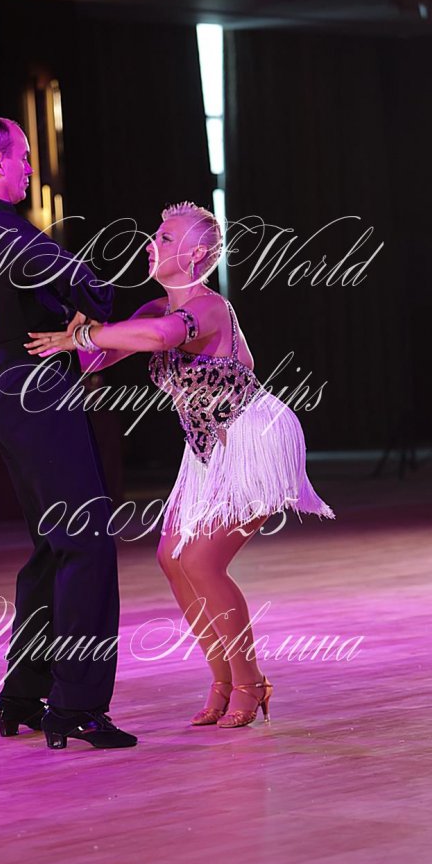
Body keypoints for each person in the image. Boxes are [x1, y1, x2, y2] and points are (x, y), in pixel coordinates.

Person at [26, 201, 336, 730]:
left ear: (195, 255)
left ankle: (250, 680)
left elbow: (161, 338)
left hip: (253, 439)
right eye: (156, 236)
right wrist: (82, 322)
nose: (153, 244)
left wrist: (86, 335)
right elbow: (97, 357)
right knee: (172, 557)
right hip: (205, 449)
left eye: (166, 238)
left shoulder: (210, 307)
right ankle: (222, 680)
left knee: (201, 562)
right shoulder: (154, 308)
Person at [0, 115, 136, 750]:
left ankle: (23, 696)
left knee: (53, 549)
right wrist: (81, 323)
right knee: (87, 546)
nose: (31, 168)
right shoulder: (4, 229)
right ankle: (76, 706)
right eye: (25, 157)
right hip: (40, 393)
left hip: (6, 391)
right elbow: (92, 287)